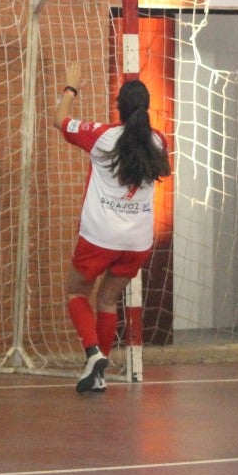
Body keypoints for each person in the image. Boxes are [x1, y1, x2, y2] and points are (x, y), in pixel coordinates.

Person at [54, 62, 170, 393]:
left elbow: (58, 120)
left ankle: (93, 355)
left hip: (100, 236)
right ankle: (99, 374)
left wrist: (70, 88)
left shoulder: (104, 136)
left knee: (76, 292)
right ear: (146, 109)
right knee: (108, 300)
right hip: (137, 241)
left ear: (118, 108)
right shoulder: (159, 142)